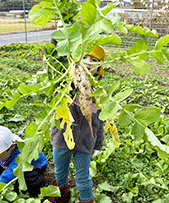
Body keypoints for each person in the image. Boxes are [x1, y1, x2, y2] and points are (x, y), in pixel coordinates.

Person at [48, 46, 106, 203]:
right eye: (84, 57)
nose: (88, 63)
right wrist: (56, 41)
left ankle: (86, 200)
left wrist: (98, 145)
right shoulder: (65, 83)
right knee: (60, 172)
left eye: (94, 60)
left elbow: (101, 122)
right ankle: (61, 196)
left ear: (100, 67)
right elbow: (54, 57)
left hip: (85, 144)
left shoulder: (100, 93)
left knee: (83, 177)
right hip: (62, 141)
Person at [0, 125, 48, 198]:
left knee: (29, 177)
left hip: (33, 169)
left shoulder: (21, 153)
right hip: (12, 169)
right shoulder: (1, 154)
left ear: (12, 146)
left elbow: (8, 175)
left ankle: (39, 195)